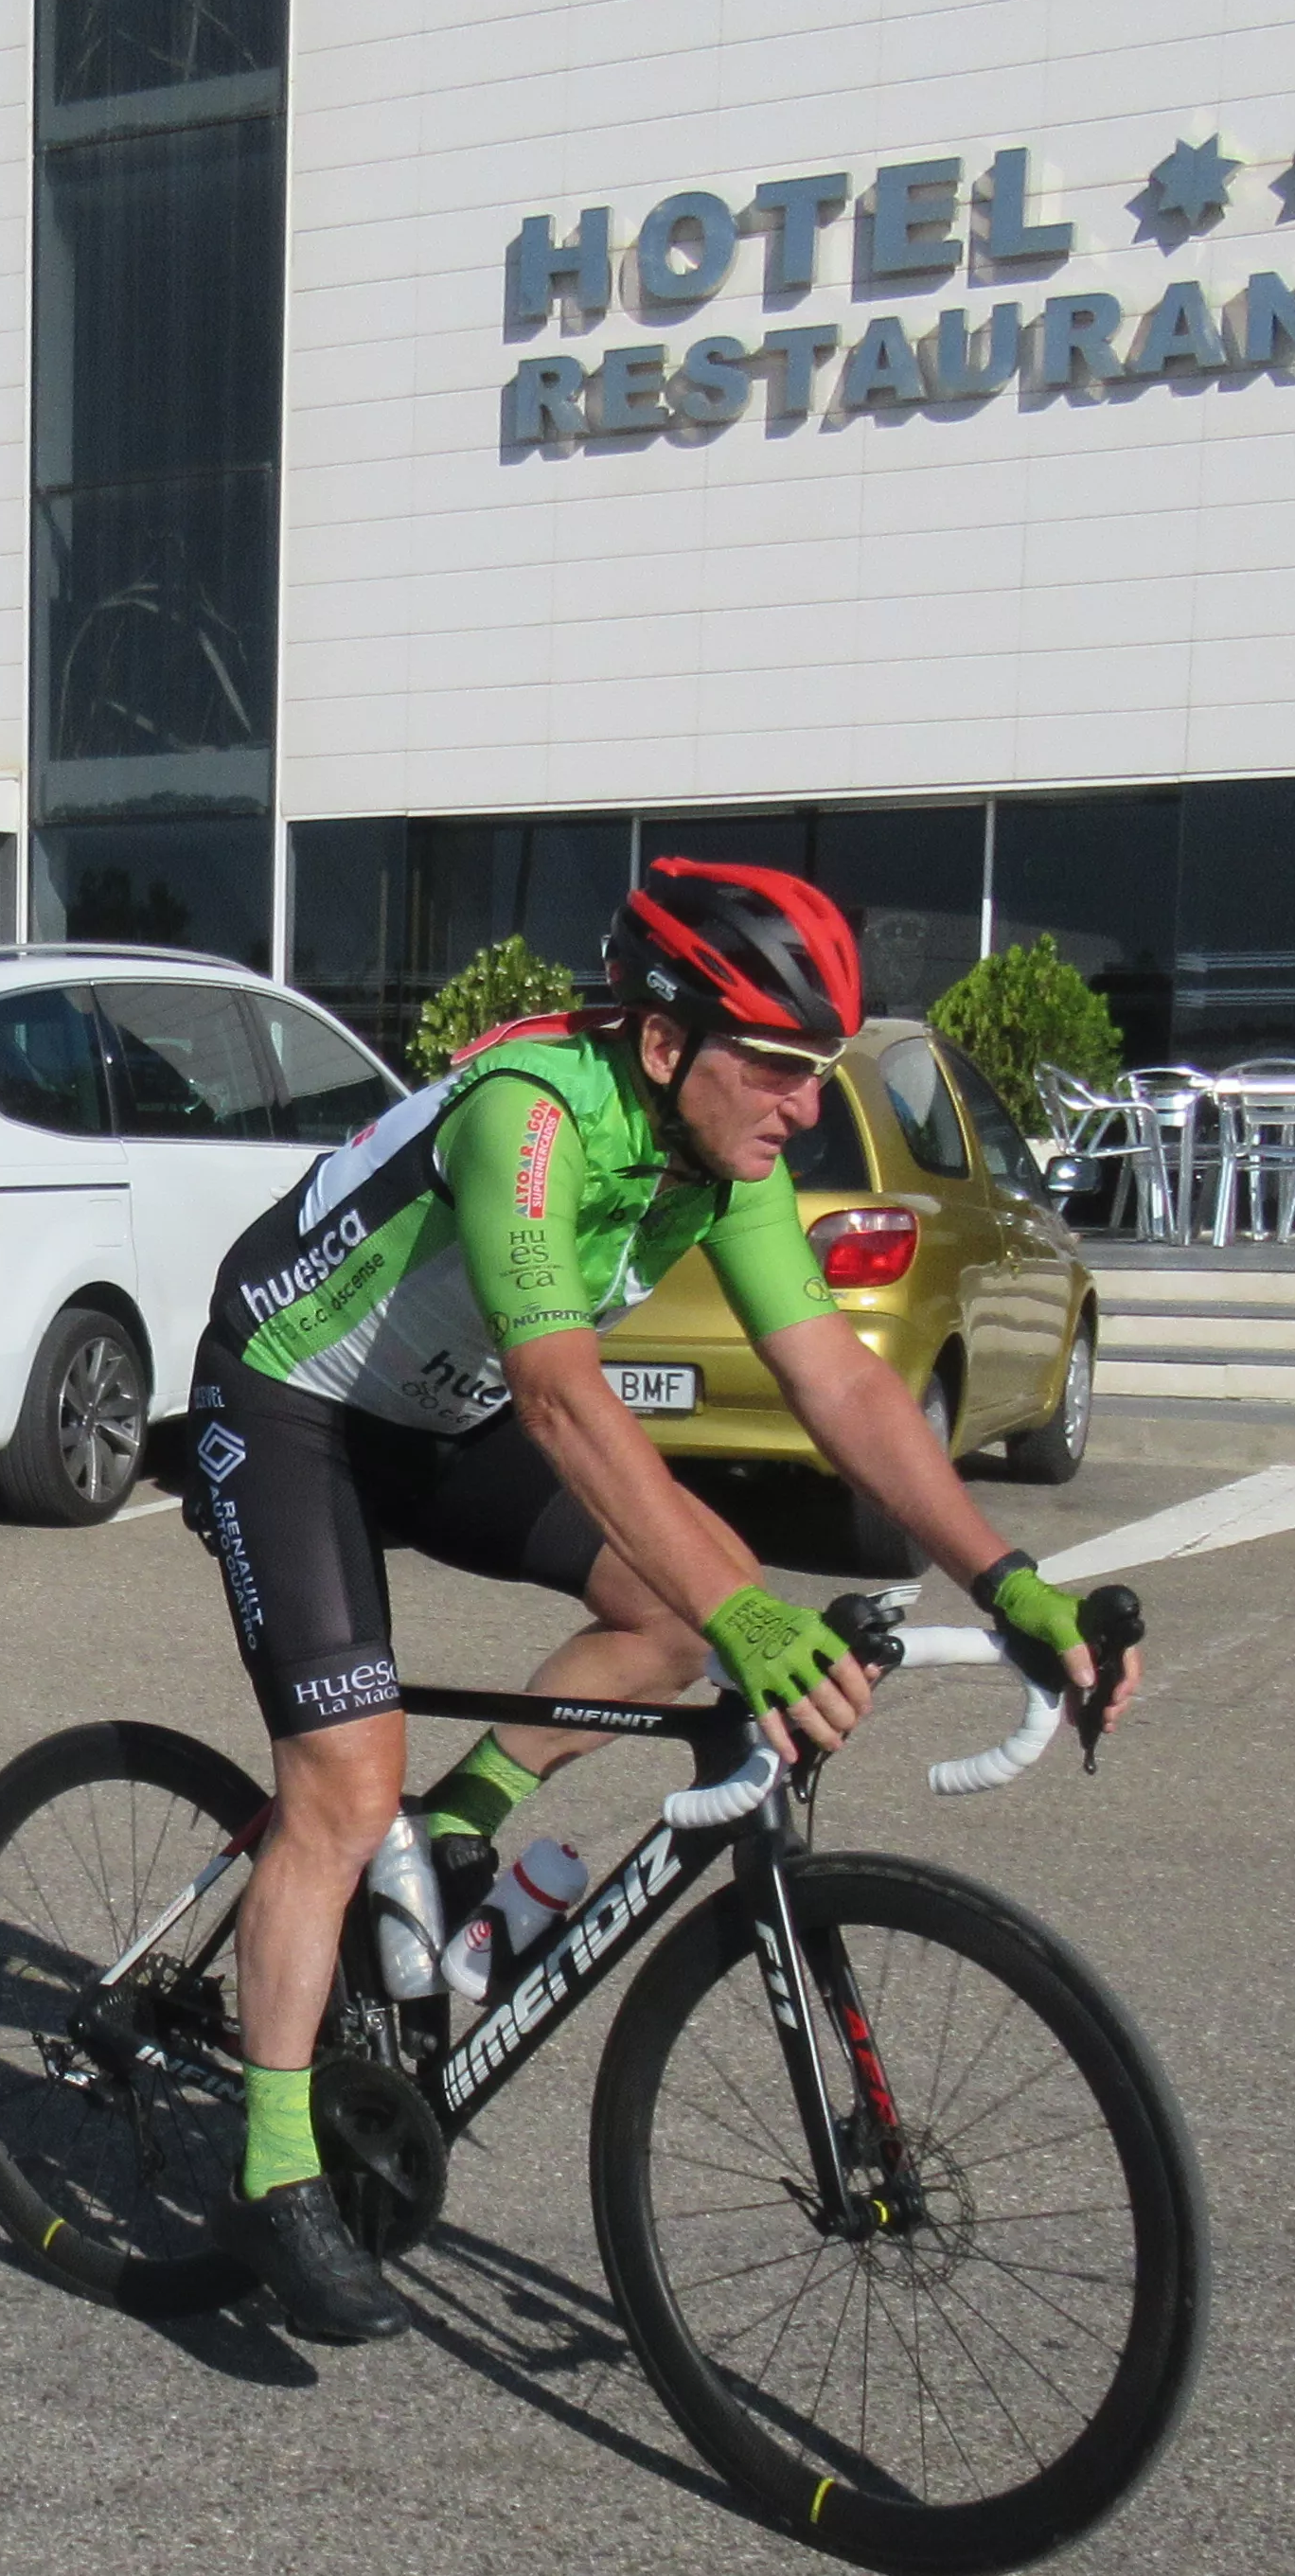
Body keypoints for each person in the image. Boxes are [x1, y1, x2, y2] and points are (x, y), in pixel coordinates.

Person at [181, 859, 1138, 2343]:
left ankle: (468, 1816)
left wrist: (1011, 1582)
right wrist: (757, 1616)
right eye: (776, 1065)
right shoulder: (533, 1114)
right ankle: (277, 2163)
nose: (804, 1107)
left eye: (818, 1070)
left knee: (695, 1605)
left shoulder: (729, 1173)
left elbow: (844, 1388)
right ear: (668, 1037)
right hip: (292, 1396)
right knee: (343, 1783)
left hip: (440, 1410)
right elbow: (563, 1397)